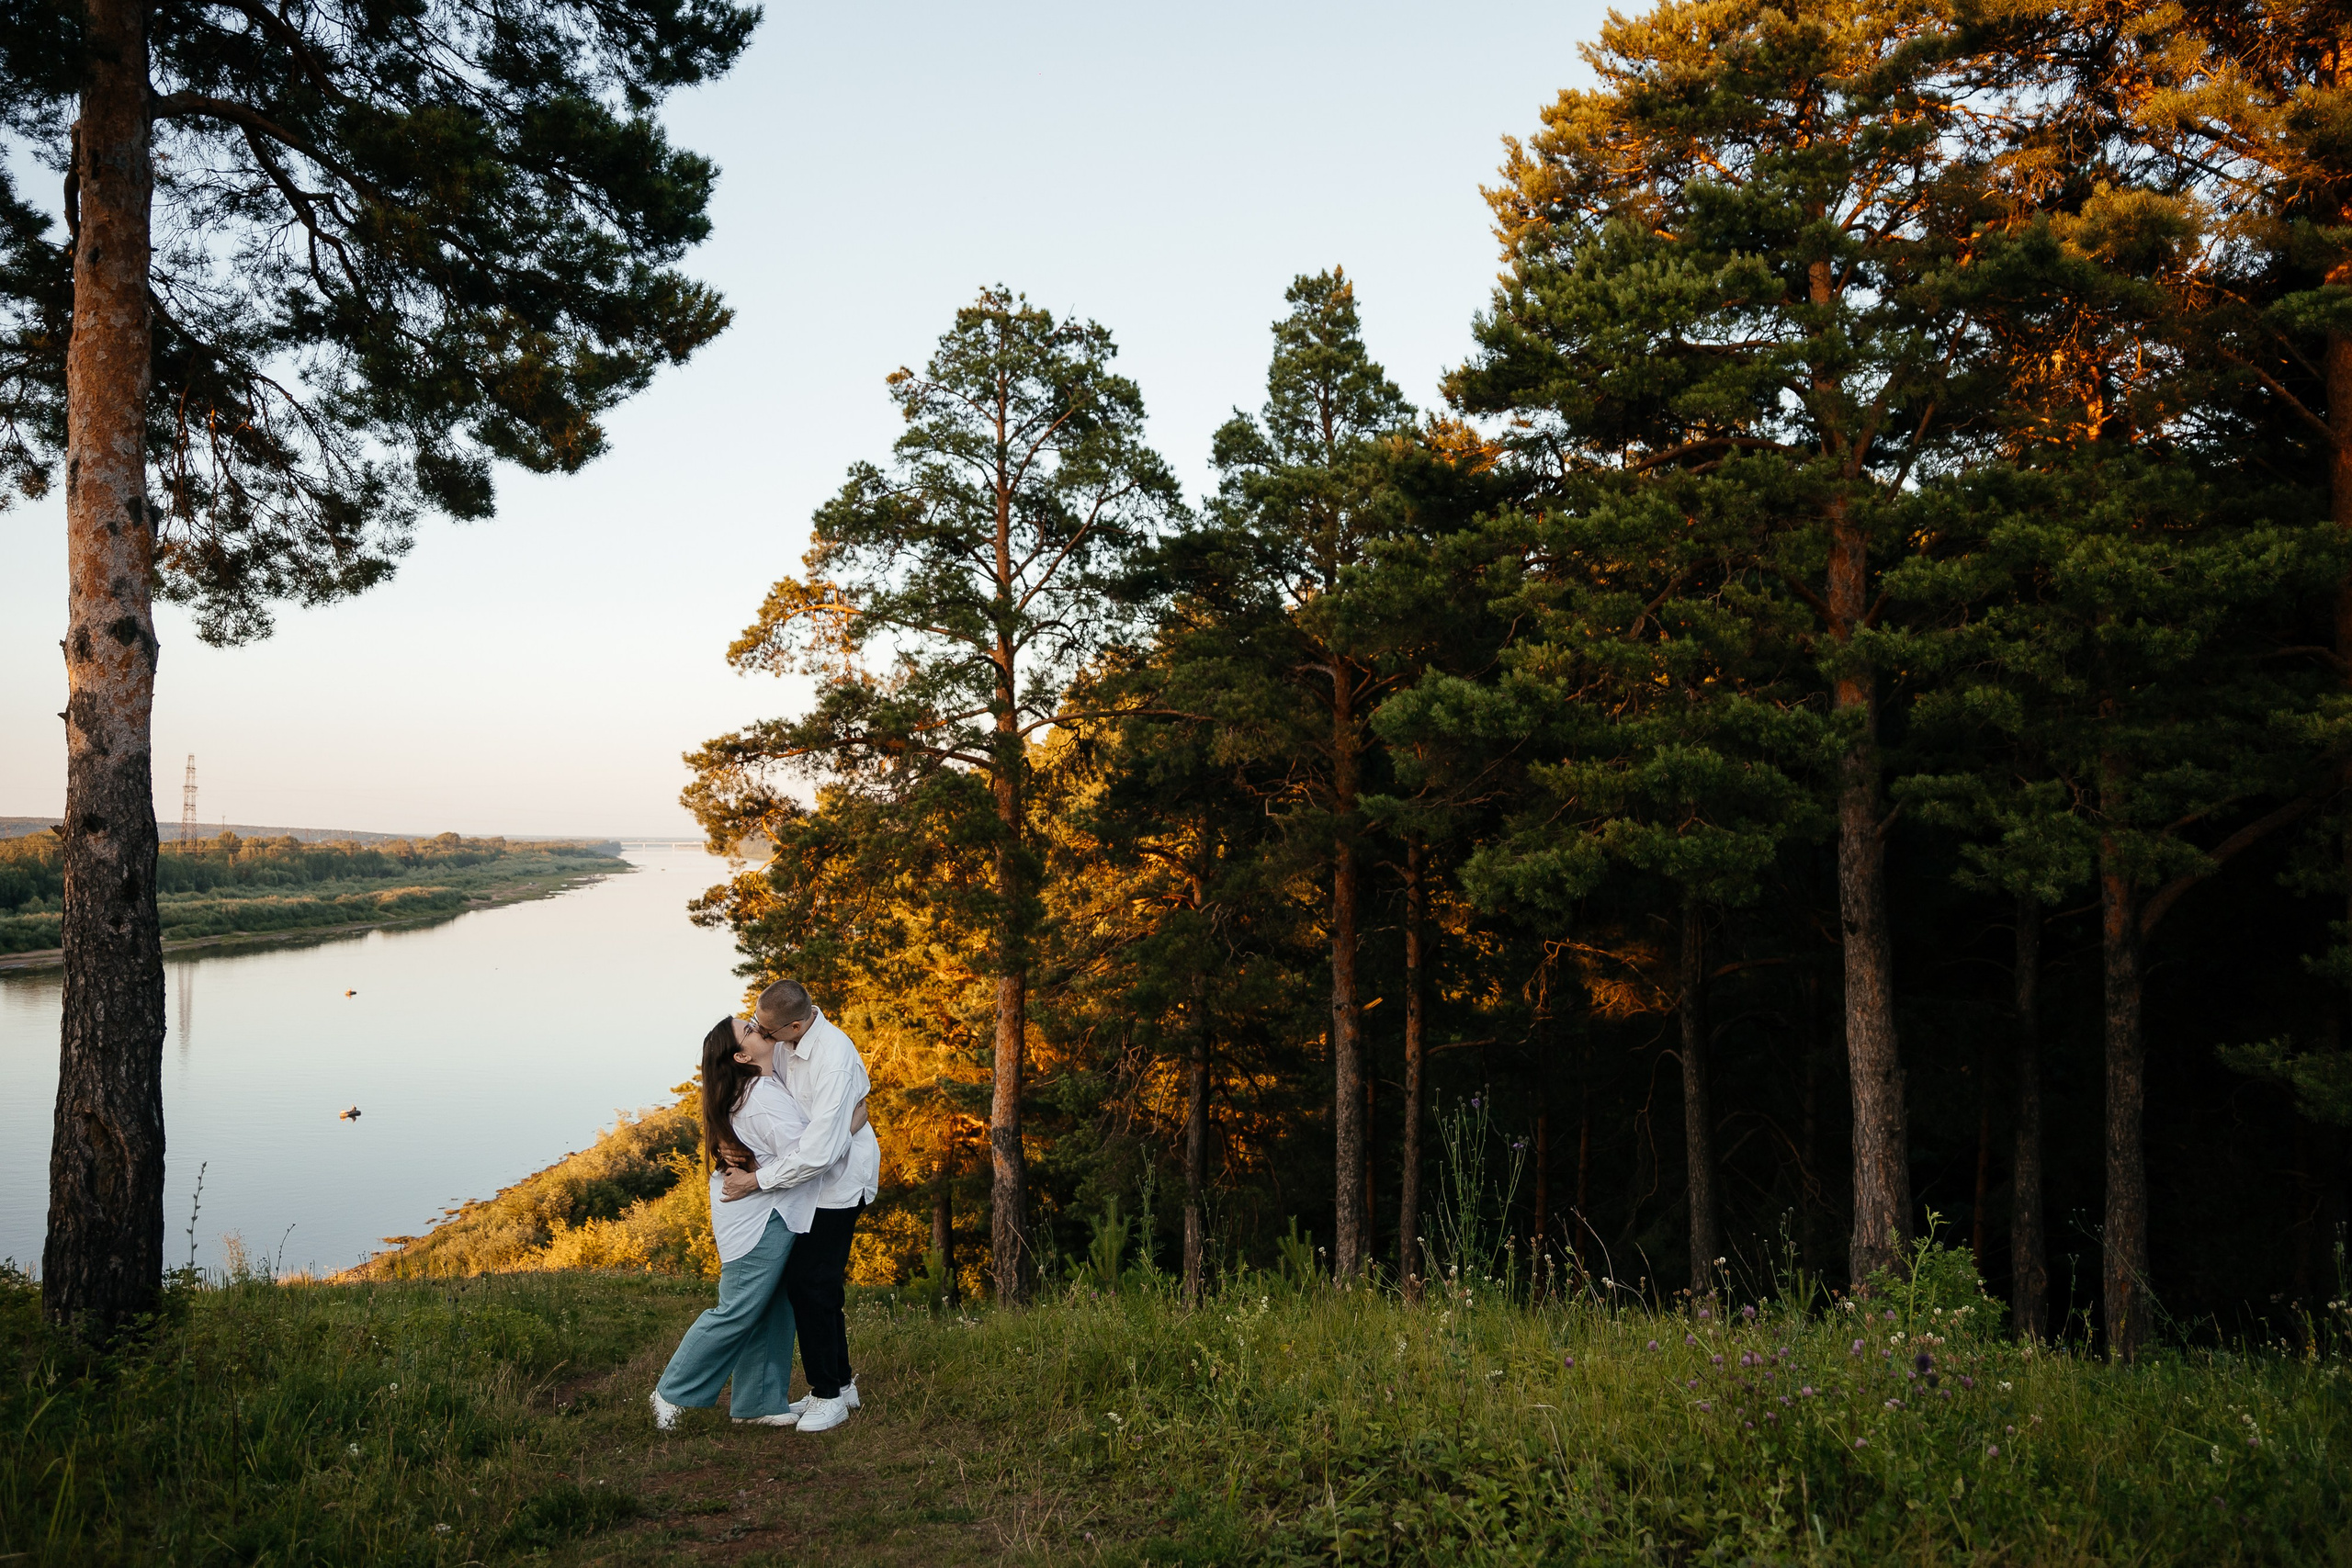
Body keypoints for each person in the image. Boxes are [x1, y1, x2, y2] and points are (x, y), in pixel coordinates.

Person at [719, 978, 880, 1435]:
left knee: (810, 1284)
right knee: (820, 1286)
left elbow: (821, 1152)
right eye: (755, 1027)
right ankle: (842, 1385)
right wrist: (733, 1146)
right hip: (808, 1182)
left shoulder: (832, 1058)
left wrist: (756, 1180)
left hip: (836, 1182)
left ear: (793, 1024)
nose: (759, 1035)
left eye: (766, 1032)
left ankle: (828, 1396)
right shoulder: (786, 1042)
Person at [648, 1017, 818, 1430]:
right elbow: (810, 1153)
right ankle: (670, 1391)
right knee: (738, 1308)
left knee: (773, 1305)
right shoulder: (759, 1094)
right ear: (742, 1056)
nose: (762, 1028)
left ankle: (759, 1403)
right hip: (756, 1218)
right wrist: (853, 1123)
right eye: (752, 1030)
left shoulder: (764, 1079)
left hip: (773, 1209)